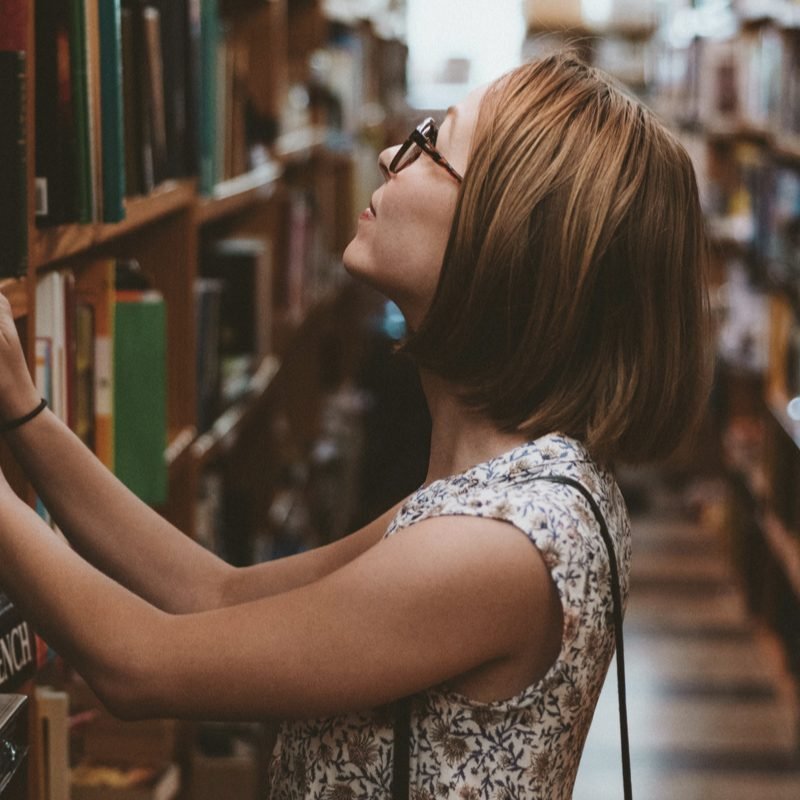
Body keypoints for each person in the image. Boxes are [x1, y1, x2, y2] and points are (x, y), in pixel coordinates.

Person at [0, 53, 709, 799]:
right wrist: (23, 409)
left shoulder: (497, 543)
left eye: (431, 146)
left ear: (508, 240)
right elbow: (215, 595)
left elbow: (136, 666)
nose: (389, 154)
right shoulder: (500, 492)